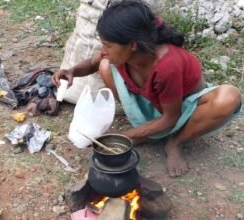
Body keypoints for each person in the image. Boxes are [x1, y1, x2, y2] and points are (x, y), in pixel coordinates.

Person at [52, 0, 242, 177]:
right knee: (103, 65)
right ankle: (145, 130)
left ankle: (175, 142)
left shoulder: (167, 66)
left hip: (182, 108)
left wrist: (124, 136)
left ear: (132, 45)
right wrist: (71, 71)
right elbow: (94, 63)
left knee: (229, 98)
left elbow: (171, 117)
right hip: (154, 101)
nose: (104, 50)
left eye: (108, 45)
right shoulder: (127, 52)